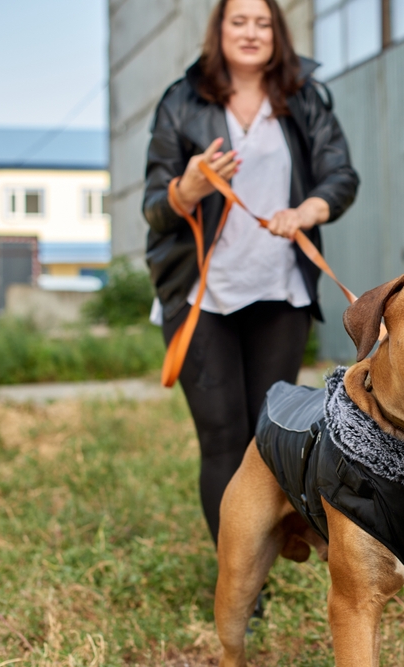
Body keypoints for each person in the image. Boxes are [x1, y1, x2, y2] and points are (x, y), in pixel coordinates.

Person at [142, 0, 359, 544]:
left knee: (267, 439)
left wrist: (307, 211)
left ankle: (265, 554)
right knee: (221, 437)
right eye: (239, 20)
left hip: (280, 291)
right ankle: (239, 580)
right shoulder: (181, 102)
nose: (251, 31)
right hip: (201, 294)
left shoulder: (302, 97)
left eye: (263, 22)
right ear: (218, 31)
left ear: (277, 34)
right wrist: (186, 189)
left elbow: (340, 174)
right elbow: (153, 205)